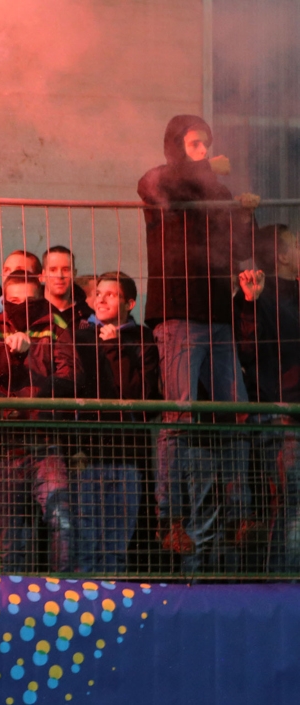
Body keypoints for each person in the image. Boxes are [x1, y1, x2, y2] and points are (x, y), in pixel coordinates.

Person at [138, 114, 258, 572]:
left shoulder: (217, 190)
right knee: (180, 411)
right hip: (178, 311)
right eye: (193, 144)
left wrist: (244, 211)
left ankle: (240, 514)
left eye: (206, 144)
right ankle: (169, 520)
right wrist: (204, 173)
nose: (203, 151)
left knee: (238, 410)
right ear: (175, 146)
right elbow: (150, 183)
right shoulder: (161, 183)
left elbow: (239, 248)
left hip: (217, 312)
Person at [0, 270, 81, 572]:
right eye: (14, 301)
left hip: (44, 440)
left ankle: (61, 594)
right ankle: (9, 602)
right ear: (3, 301)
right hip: (4, 444)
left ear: (40, 300)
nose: (22, 307)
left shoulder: (56, 328)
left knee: (61, 518)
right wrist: (13, 354)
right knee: (7, 538)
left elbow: (73, 376)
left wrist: (36, 390)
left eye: (30, 301)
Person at [71, 272, 160, 572]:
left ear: (130, 303)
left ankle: (113, 613)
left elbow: (138, 392)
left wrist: (116, 348)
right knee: (85, 544)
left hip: (127, 455)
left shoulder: (143, 338)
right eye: (98, 293)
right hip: (87, 454)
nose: (101, 298)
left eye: (112, 294)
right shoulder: (79, 336)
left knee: (116, 547)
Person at [237, 224, 300, 570]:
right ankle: (284, 587)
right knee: (291, 502)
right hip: (281, 417)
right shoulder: (258, 293)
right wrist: (252, 301)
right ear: (284, 254)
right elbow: (248, 350)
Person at [0, 249, 42, 319]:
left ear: (39, 278)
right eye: (6, 270)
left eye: (19, 271)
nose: (10, 274)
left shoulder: (49, 312)